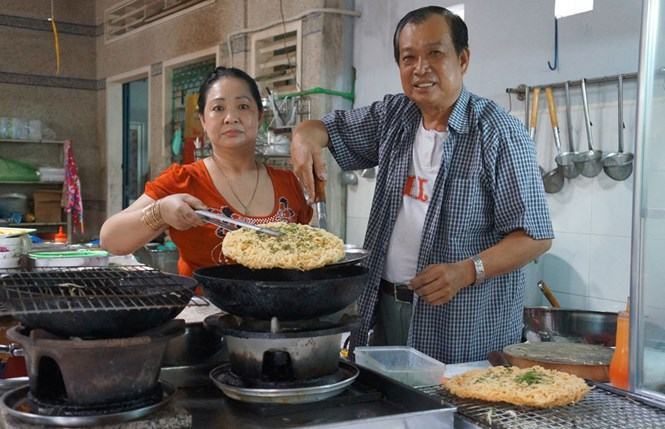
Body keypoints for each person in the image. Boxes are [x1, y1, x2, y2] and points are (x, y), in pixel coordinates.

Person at [290, 6, 553, 363]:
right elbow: (326, 129)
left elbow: (536, 236)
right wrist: (305, 137)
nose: (420, 68)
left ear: (463, 59)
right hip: (383, 307)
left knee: (453, 413)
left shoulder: (499, 133)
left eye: (435, 54)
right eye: (408, 58)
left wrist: (467, 271)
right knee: (386, 411)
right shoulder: (394, 116)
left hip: (461, 323)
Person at [101, 67, 312, 276]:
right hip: (207, 308)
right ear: (203, 120)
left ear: (259, 116)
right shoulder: (184, 181)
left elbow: (307, 254)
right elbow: (111, 239)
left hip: (283, 307)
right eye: (218, 108)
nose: (231, 117)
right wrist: (161, 212)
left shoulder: (288, 183)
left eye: (243, 106)